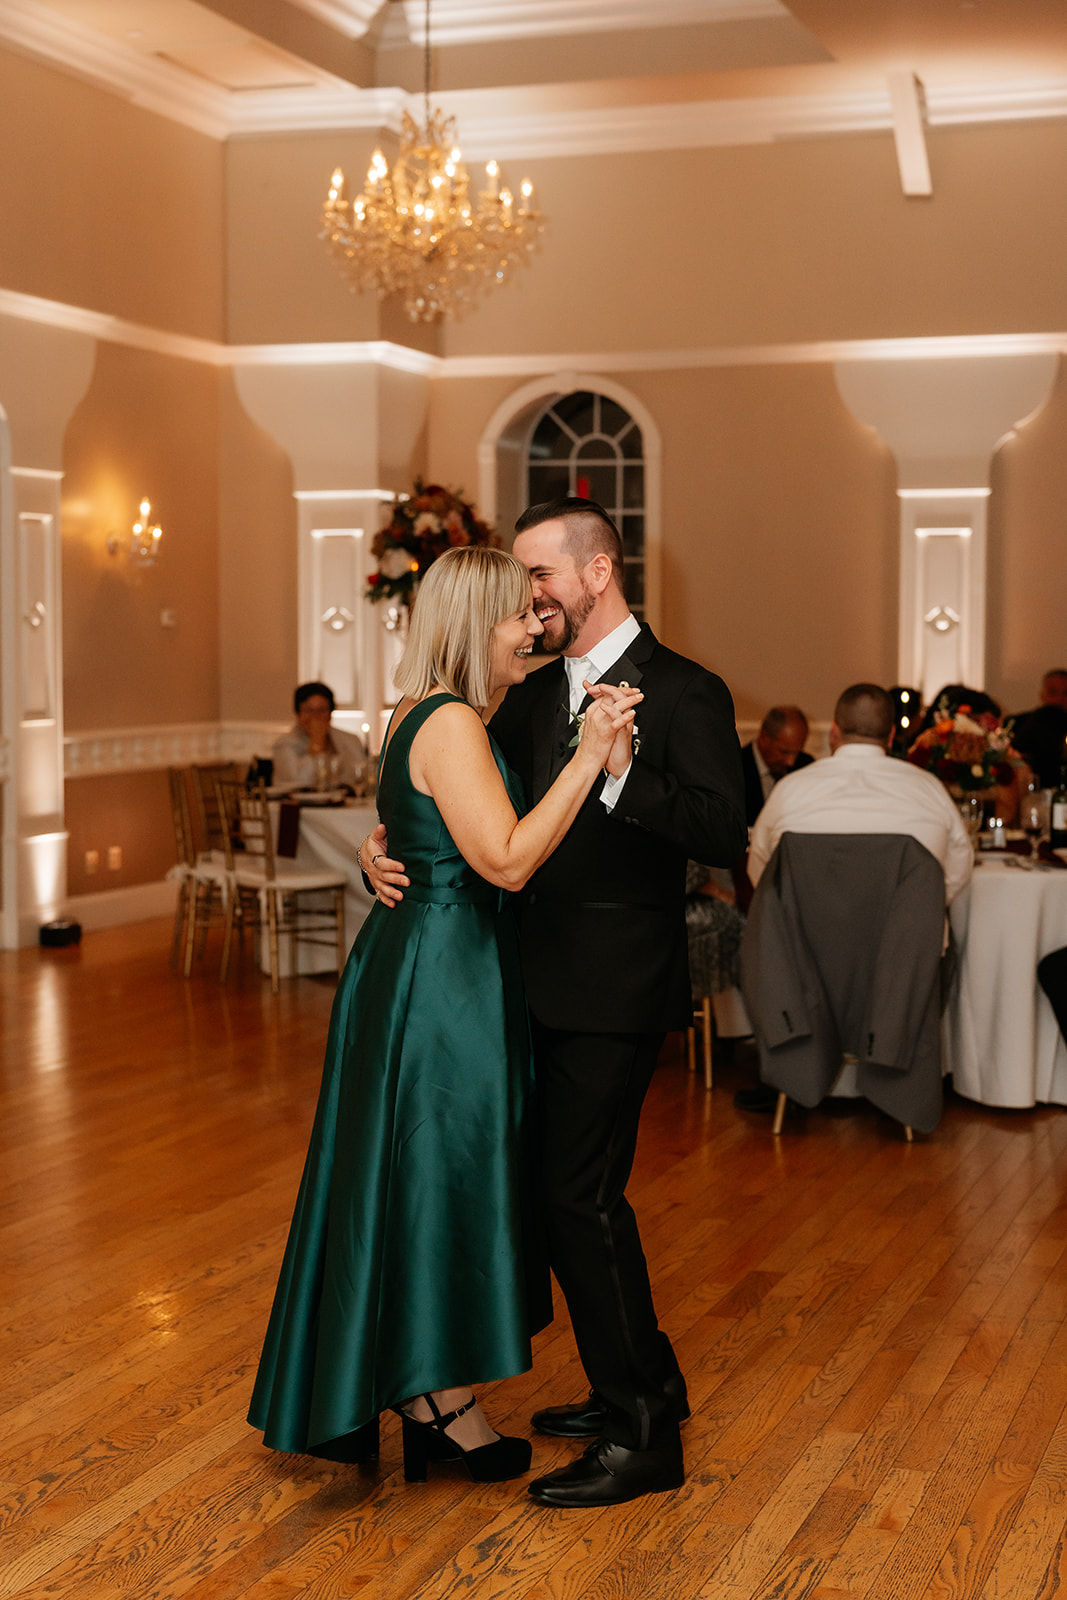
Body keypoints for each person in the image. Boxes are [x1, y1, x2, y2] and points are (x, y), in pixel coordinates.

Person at [366, 496, 746, 1507]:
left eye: (540, 575)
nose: (529, 599)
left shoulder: (683, 689)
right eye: (520, 582)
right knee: (560, 1197)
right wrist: (389, 845)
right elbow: (463, 803)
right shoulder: (526, 698)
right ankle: (644, 1381)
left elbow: (722, 829)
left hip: (613, 987)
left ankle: (640, 1432)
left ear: (596, 571)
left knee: (576, 1197)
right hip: (510, 986)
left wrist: (620, 777)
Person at [247, 547, 641, 1486]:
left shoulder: (415, 709)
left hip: (422, 961)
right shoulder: (454, 720)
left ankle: (429, 1393)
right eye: (520, 617)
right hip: (442, 980)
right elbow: (504, 860)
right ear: (477, 622)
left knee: (419, 1175)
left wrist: (379, 854)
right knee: (440, 1173)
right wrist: (589, 758)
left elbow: (418, 832)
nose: (535, 630)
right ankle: (434, 1399)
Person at [749, 682, 973, 902]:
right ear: (891, 734)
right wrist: (922, 908)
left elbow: (759, 866)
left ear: (834, 732)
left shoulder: (789, 790)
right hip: (907, 934)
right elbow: (960, 861)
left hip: (808, 936)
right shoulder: (929, 789)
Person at [271, 682, 366, 790]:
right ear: (298, 714)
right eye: (309, 710)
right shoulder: (283, 744)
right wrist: (317, 742)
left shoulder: (350, 740)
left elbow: (361, 776)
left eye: (321, 710)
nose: (315, 717)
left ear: (330, 714)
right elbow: (297, 781)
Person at [740, 705, 814, 825]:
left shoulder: (806, 765)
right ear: (763, 737)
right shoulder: (737, 766)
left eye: (797, 752)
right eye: (784, 752)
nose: (791, 762)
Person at [1010, 670, 1067, 788]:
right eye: (1053, 692)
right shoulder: (1018, 723)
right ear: (1042, 695)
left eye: (1066, 693)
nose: (1060, 699)